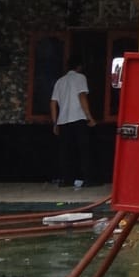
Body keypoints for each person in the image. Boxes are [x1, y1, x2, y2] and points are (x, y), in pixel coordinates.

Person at [50, 56, 95, 190]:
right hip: (79, 118)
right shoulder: (80, 78)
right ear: (79, 67)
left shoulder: (60, 81)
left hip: (63, 121)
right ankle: (87, 178)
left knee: (65, 152)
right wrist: (89, 117)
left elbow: (53, 103)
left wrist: (55, 123)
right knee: (83, 151)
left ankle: (66, 179)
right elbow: (82, 96)